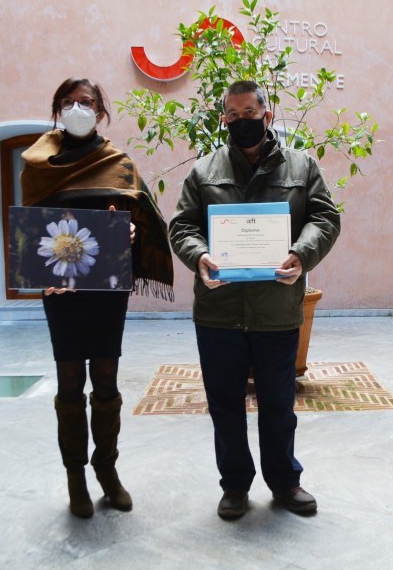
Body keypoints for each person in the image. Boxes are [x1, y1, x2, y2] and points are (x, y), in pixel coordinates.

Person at [169, 80, 340, 520]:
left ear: (267, 115)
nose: (241, 121)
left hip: (276, 310)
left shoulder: (302, 168)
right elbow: (182, 226)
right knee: (225, 406)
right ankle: (235, 486)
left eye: (250, 113)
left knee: (279, 407)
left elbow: (325, 217)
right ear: (223, 118)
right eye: (233, 114)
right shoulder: (203, 171)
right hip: (219, 312)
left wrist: (301, 254)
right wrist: (199, 255)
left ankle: (285, 482)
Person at [21, 77, 174, 518]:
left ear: (101, 112)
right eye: (67, 102)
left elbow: (144, 217)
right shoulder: (39, 164)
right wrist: (37, 271)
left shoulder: (119, 163)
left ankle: (107, 471)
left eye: (85, 102)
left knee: (105, 381)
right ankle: (75, 478)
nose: (77, 108)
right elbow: (30, 228)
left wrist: (129, 229)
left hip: (107, 289)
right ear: (56, 109)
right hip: (62, 290)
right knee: (70, 384)